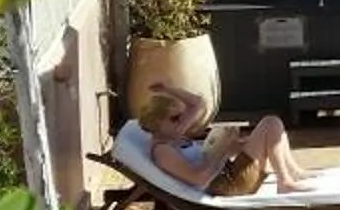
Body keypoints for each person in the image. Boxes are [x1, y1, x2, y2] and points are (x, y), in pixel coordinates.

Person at [137, 82, 322, 195]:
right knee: (269, 123)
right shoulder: (162, 151)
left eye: (181, 116)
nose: (182, 121)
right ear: (156, 122)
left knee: (272, 125)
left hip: (228, 174)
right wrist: (222, 150)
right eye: (176, 118)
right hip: (228, 183)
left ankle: (292, 171)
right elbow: (199, 179)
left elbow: (198, 104)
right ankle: (285, 182)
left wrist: (168, 89)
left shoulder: (172, 134)